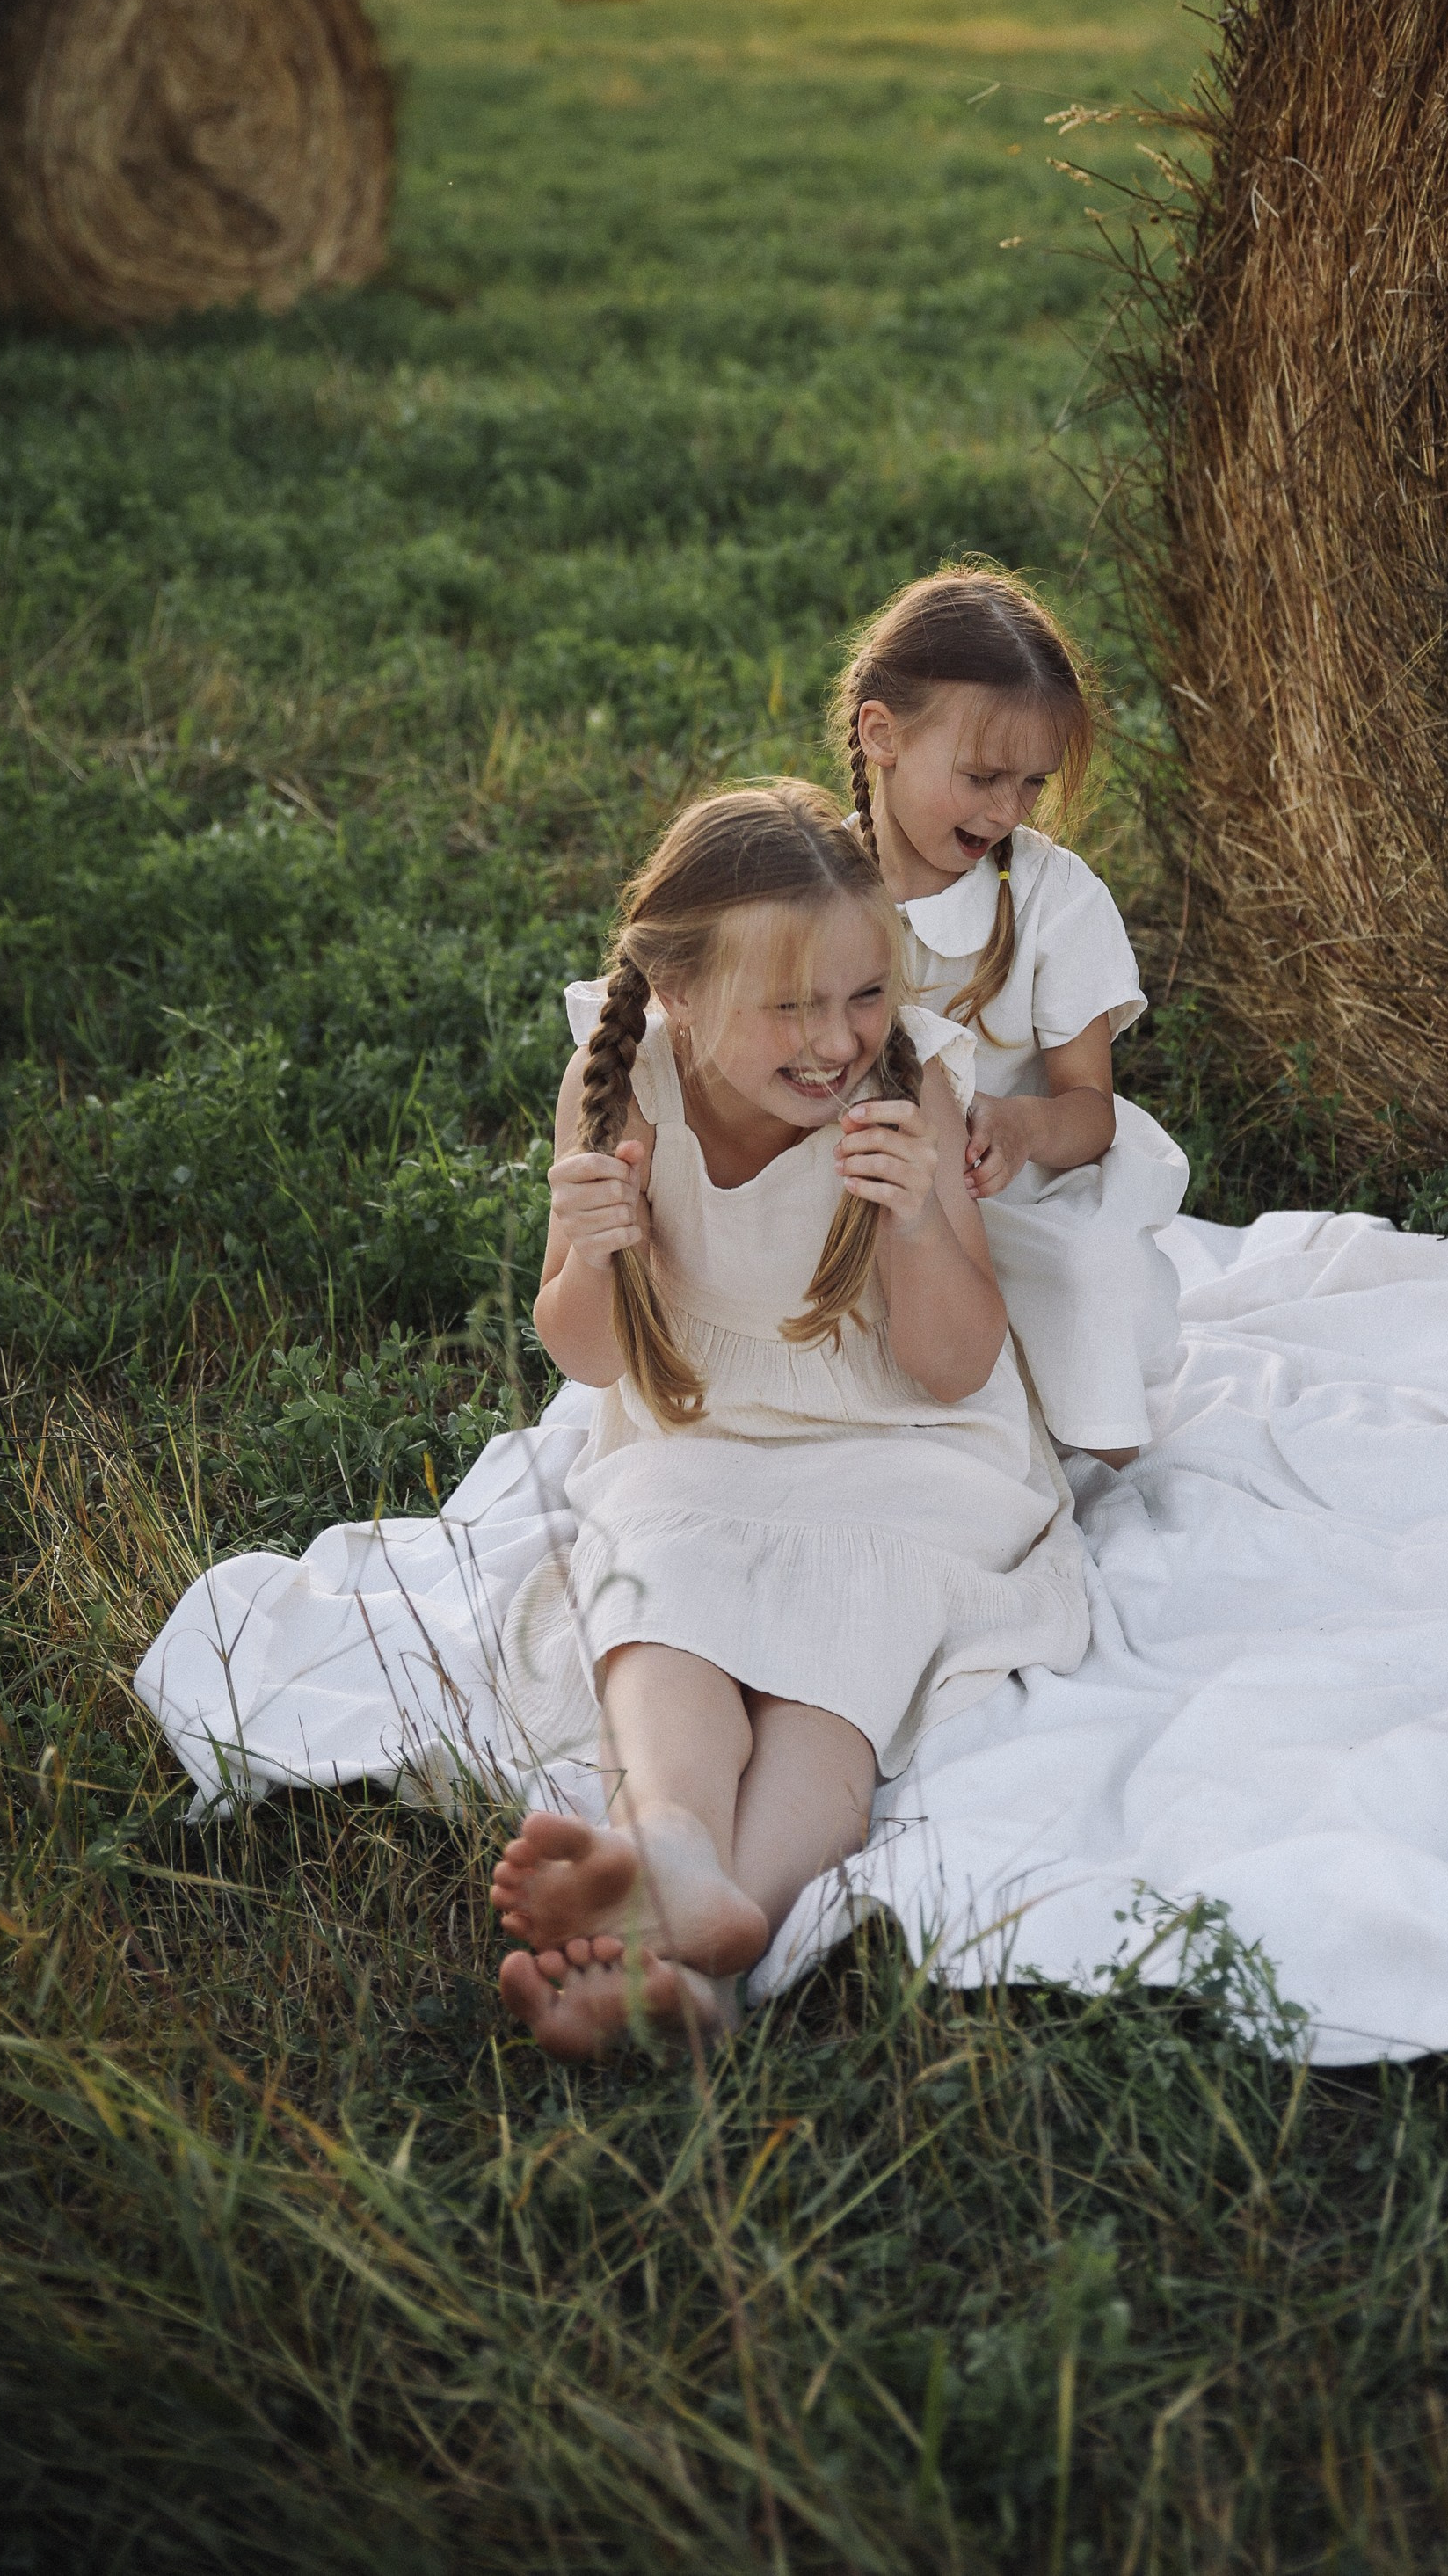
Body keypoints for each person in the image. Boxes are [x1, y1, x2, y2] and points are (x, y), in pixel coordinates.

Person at [491, 780, 1088, 2056]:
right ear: (679, 992)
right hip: (703, 1434)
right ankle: (675, 1858)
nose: (834, 1040)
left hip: (904, 1449)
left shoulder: (907, 1088)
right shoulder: (621, 1083)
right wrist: (591, 1254)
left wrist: (916, 1218)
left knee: (837, 1670)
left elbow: (955, 1368)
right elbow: (587, 1354)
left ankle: (717, 1922)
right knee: (667, 1605)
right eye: (790, 1006)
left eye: (863, 994)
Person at [835, 565, 1188, 1466]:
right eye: (981, 776)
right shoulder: (816, 889)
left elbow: (1089, 1110)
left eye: (1031, 783)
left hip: (1007, 1196)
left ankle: (1076, 1424)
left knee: (1085, 1272)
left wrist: (1023, 1126)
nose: (1006, 810)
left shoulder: (1051, 898)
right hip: (864, 1190)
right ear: (881, 734)